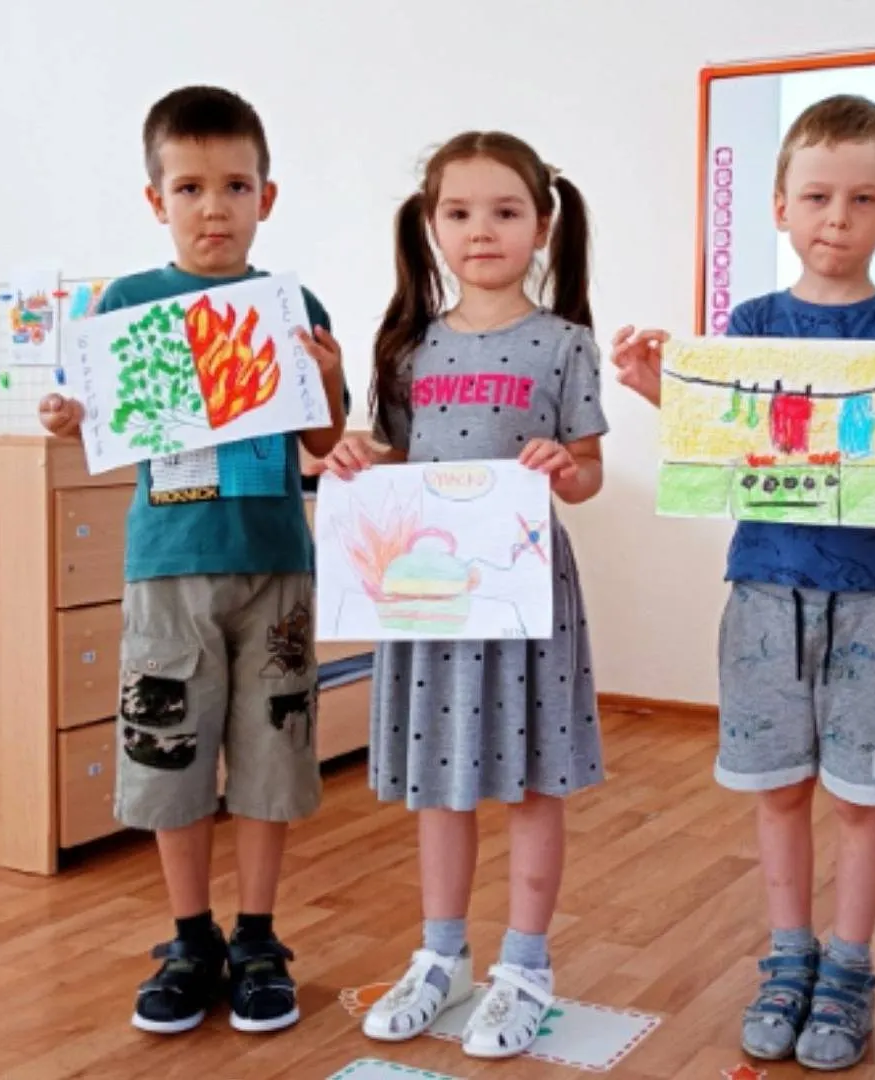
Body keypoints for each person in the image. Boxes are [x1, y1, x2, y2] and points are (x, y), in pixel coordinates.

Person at [611, 95, 875, 1072]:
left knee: (861, 799)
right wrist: (656, 390)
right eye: (816, 196)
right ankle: (787, 958)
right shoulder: (751, 325)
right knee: (776, 790)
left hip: (872, 594)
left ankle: (848, 967)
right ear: (779, 205)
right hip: (764, 591)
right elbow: (725, 445)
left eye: (861, 199)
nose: (836, 218)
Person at [37, 85, 346, 1035]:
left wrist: (330, 380)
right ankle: (188, 937)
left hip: (276, 563)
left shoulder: (292, 305)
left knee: (271, 749)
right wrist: (71, 417)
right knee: (167, 749)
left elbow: (322, 445)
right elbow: (101, 424)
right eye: (190, 188)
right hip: (168, 566)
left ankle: (256, 935)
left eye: (236, 186)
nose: (215, 207)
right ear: (156, 199)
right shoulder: (127, 305)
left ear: (267, 197)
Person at [307, 131, 607, 1060]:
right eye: (460, 212)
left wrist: (566, 467)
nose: (483, 230)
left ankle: (526, 967)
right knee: (441, 780)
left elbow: (590, 471)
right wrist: (355, 456)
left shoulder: (565, 344)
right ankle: (441, 956)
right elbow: (398, 462)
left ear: (543, 225)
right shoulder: (410, 346)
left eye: (506, 211)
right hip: (432, 600)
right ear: (432, 226)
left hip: (525, 598)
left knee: (532, 780)